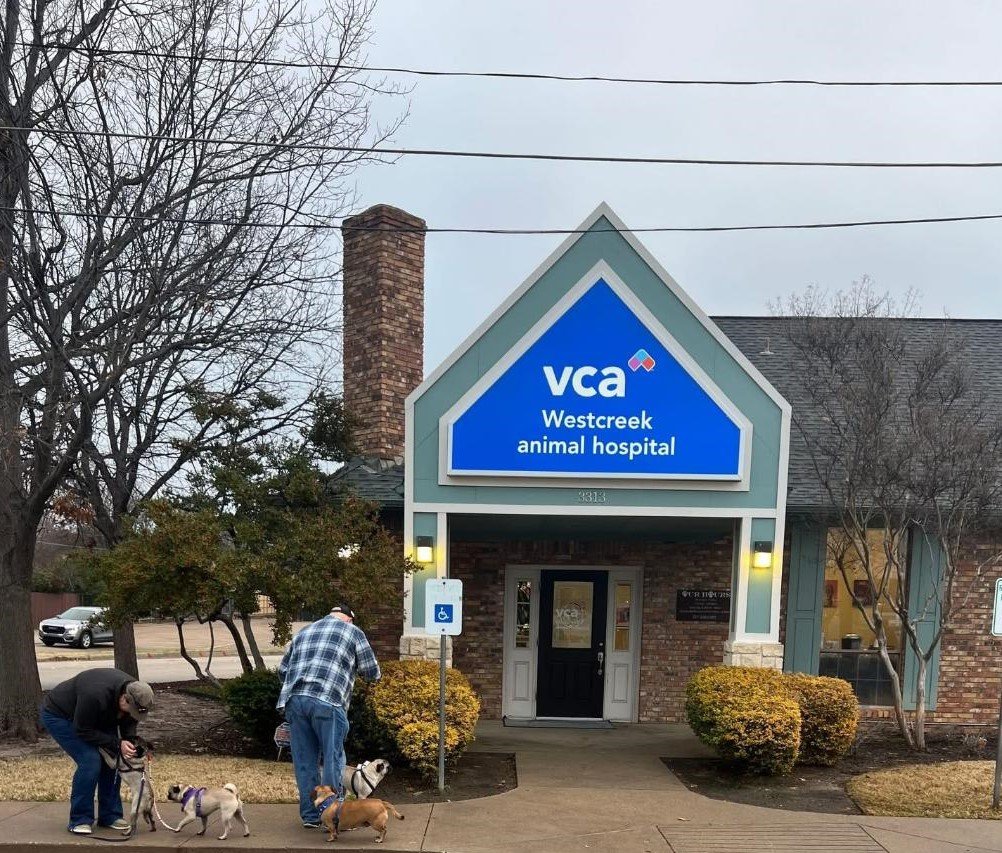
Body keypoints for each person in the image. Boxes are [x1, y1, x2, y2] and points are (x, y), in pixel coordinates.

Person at [277, 604, 381, 829]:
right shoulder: (353, 632)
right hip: (328, 701)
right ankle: (334, 816)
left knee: (305, 762)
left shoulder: (304, 631)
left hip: (295, 701)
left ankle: (311, 817)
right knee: (333, 759)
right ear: (349, 620)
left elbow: (282, 670)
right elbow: (372, 671)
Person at [40, 667, 155, 835]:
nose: (131, 714)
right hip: (61, 716)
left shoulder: (136, 692)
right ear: (125, 698)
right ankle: (79, 819)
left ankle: (109, 815)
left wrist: (128, 743)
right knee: (90, 760)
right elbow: (83, 729)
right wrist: (117, 742)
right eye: (131, 710)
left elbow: (128, 724)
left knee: (115, 757)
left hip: (100, 715)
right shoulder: (94, 695)